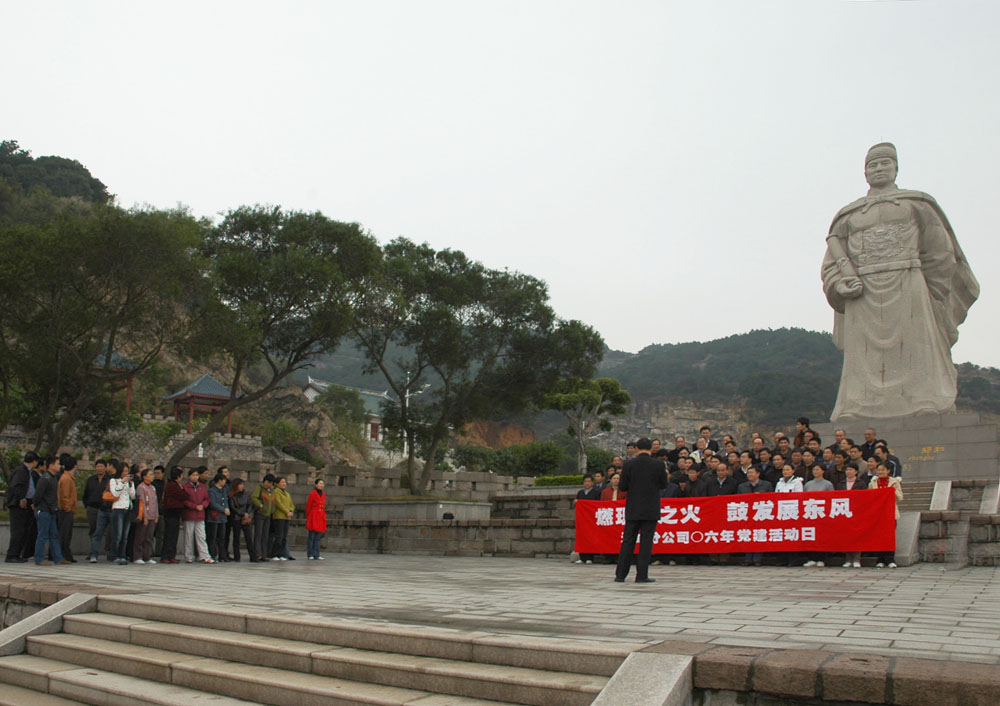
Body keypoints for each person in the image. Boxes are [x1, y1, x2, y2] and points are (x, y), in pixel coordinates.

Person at [822, 142, 978, 420]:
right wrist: (838, 285)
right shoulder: (849, 215)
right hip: (863, 293)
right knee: (864, 357)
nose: (879, 169)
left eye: (884, 163)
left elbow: (940, 252)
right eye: (873, 165)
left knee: (916, 350)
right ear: (865, 173)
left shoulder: (916, 204)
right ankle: (856, 407)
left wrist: (931, 292)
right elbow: (831, 264)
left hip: (909, 282)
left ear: (896, 168)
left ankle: (925, 400)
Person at [614, 438, 668, 584]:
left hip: (633, 507)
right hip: (650, 508)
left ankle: (620, 575)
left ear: (637, 449)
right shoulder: (658, 464)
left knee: (628, 541)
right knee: (646, 541)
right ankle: (641, 575)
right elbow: (664, 484)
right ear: (651, 449)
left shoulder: (629, 464)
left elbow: (623, 487)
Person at [6, 452, 40, 563]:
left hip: (26, 504)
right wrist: (21, 498)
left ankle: (17, 554)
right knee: (18, 531)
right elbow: (16, 486)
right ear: (34, 461)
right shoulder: (21, 471)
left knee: (24, 530)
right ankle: (12, 555)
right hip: (18, 505)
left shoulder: (28, 472)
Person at [870, 463, 903, 568]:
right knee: (879, 537)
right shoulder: (873, 482)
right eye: (879, 470)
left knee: (889, 536)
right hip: (878, 513)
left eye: (883, 470)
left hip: (890, 513)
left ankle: (890, 559)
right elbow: (869, 497)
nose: (880, 472)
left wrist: (892, 492)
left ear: (888, 471)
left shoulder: (894, 482)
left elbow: (900, 497)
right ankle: (880, 559)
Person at [737, 467, 773, 566]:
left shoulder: (766, 485)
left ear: (758, 474)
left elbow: (772, 499)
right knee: (747, 535)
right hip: (746, 515)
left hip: (761, 514)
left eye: (752, 473)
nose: (750, 475)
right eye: (748, 473)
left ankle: (757, 558)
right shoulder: (742, 486)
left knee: (759, 535)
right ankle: (748, 558)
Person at [838, 464, 868, 568]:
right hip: (844, 512)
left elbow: (865, 498)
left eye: (851, 470)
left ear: (856, 472)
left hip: (857, 512)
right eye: (847, 470)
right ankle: (848, 559)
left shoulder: (861, 483)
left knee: (857, 536)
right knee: (846, 537)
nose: (848, 472)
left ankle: (856, 558)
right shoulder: (841, 483)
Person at [183, 468, 212, 564]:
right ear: (189, 477)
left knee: (201, 536)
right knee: (189, 536)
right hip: (190, 514)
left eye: (196, 475)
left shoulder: (202, 486)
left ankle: (204, 555)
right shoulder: (185, 487)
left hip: (200, 514)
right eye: (193, 475)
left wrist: (203, 505)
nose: (195, 477)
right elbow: (185, 500)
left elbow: (206, 499)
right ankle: (189, 556)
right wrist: (194, 506)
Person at [109, 461, 135, 565]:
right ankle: (114, 555)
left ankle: (122, 555)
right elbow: (115, 493)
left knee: (125, 536)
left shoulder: (129, 482)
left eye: (127, 471)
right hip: (118, 508)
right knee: (118, 535)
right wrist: (122, 482)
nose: (125, 473)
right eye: (124, 471)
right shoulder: (113, 481)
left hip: (127, 508)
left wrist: (131, 486)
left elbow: (133, 496)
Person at [82, 459, 110, 556]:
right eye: (97, 466)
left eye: (101, 466)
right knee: (93, 530)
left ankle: (108, 551)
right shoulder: (91, 479)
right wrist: (87, 505)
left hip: (105, 509)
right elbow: (85, 494)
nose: (99, 468)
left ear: (106, 468)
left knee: (106, 531)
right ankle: (93, 552)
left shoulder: (110, 480)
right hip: (92, 508)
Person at [159, 467, 186, 564]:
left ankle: (171, 555)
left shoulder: (175, 485)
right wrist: (182, 489)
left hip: (176, 513)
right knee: (169, 535)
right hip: (171, 512)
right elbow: (183, 495)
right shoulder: (172, 485)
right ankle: (165, 556)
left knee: (174, 535)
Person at [133, 468, 159, 564]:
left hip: (152, 515)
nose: (152, 476)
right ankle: (138, 556)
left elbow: (155, 502)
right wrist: (145, 516)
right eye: (150, 474)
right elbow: (142, 502)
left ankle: (147, 556)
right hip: (145, 516)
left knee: (149, 537)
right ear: (144, 477)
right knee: (140, 536)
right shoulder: (141, 487)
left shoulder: (153, 488)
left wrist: (156, 515)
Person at [57, 455, 79, 562]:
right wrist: (68, 508)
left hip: (68, 510)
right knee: (64, 534)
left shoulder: (67, 478)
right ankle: (62, 554)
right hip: (66, 511)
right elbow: (65, 496)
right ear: (75, 466)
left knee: (66, 534)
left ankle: (65, 554)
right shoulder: (66, 479)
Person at [251, 474, 276, 563]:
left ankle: (264, 554)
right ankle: (257, 555)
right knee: (258, 534)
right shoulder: (260, 488)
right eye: (268, 482)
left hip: (268, 514)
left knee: (265, 535)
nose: (269, 484)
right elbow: (254, 497)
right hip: (260, 514)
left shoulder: (272, 490)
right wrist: (260, 505)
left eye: (271, 483)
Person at [206, 473, 230, 562]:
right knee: (213, 536)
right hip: (214, 517)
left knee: (222, 537)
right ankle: (212, 554)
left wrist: (227, 508)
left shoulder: (223, 490)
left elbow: (225, 500)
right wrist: (223, 509)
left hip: (222, 517)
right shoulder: (212, 491)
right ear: (219, 480)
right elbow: (213, 503)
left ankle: (222, 555)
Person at [228, 478, 254, 562]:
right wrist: (242, 514)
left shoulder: (246, 495)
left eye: (242, 484)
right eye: (240, 485)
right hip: (236, 518)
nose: (242, 486)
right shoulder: (232, 495)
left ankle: (252, 556)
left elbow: (250, 504)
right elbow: (232, 507)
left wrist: (247, 513)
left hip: (245, 518)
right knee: (236, 538)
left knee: (249, 537)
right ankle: (237, 556)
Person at [270, 477, 295, 561]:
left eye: (285, 482)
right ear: (277, 484)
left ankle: (281, 554)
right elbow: (278, 503)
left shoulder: (287, 494)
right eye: (282, 482)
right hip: (279, 516)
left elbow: (291, 504)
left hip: (287, 517)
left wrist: (291, 510)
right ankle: (274, 554)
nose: (284, 484)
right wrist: (286, 511)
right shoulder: (276, 492)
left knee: (284, 537)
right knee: (279, 536)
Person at [305, 478, 328, 560]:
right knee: (311, 537)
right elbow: (308, 506)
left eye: (323, 483)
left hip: (320, 516)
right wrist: (309, 517)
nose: (322, 485)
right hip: (313, 516)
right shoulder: (312, 494)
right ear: (316, 485)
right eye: (320, 483)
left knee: (318, 537)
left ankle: (317, 554)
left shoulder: (323, 494)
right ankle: (310, 554)